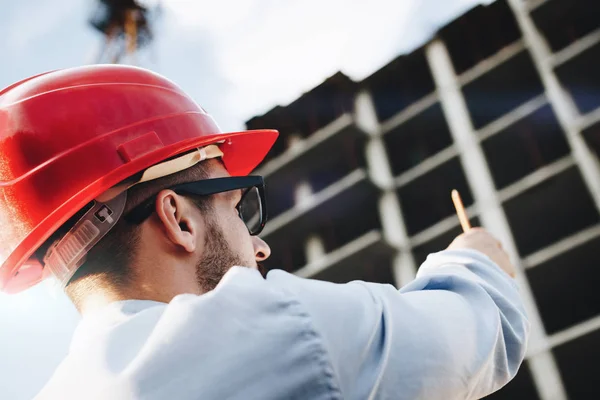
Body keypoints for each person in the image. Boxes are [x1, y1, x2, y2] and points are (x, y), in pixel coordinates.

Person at [0, 65, 529, 400]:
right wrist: (475, 260)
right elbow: (478, 333)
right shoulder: (269, 333)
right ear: (179, 219)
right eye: (239, 209)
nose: (260, 245)